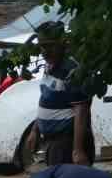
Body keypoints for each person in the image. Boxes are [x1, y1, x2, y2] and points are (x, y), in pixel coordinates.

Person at [34, 21, 100, 167]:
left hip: (67, 144)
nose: (45, 51)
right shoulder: (50, 66)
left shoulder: (72, 70)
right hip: (53, 143)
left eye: (50, 45)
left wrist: (77, 150)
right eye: (42, 46)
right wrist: (35, 131)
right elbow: (45, 100)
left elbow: (81, 110)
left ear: (63, 43)